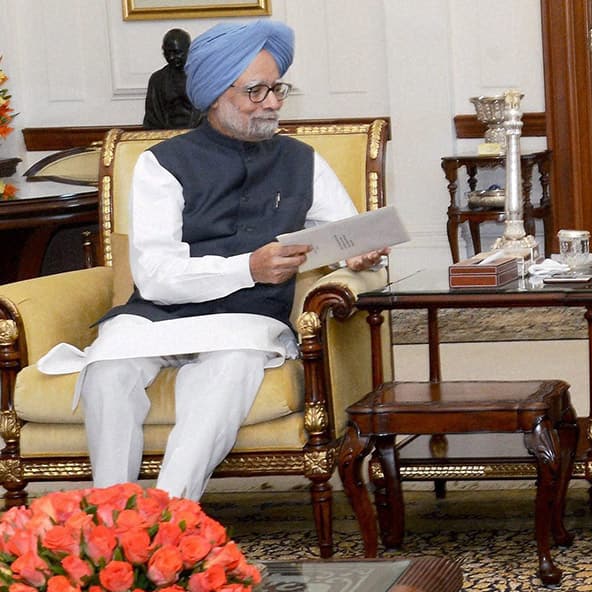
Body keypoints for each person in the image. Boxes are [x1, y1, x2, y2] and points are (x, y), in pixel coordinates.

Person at [38, 19, 388, 501]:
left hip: (246, 317)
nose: (272, 102)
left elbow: (345, 233)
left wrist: (361, 249)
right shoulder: (161, 164)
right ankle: (111, 517)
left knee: (230, 367)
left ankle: (171, 517)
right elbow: (156, 277)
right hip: (156, 314)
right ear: (215, 95)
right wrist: (247, 267)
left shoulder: (303, 160)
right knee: (108, 373)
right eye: (256, 91)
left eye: (277, 88)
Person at [142, 28, 202, 129]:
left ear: (189, 50)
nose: (171, 57)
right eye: (167, 53)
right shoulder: (157, 79)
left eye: (177, 52)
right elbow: (152, 118)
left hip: (197, 135)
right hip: (165, 136)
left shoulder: (202, 76)